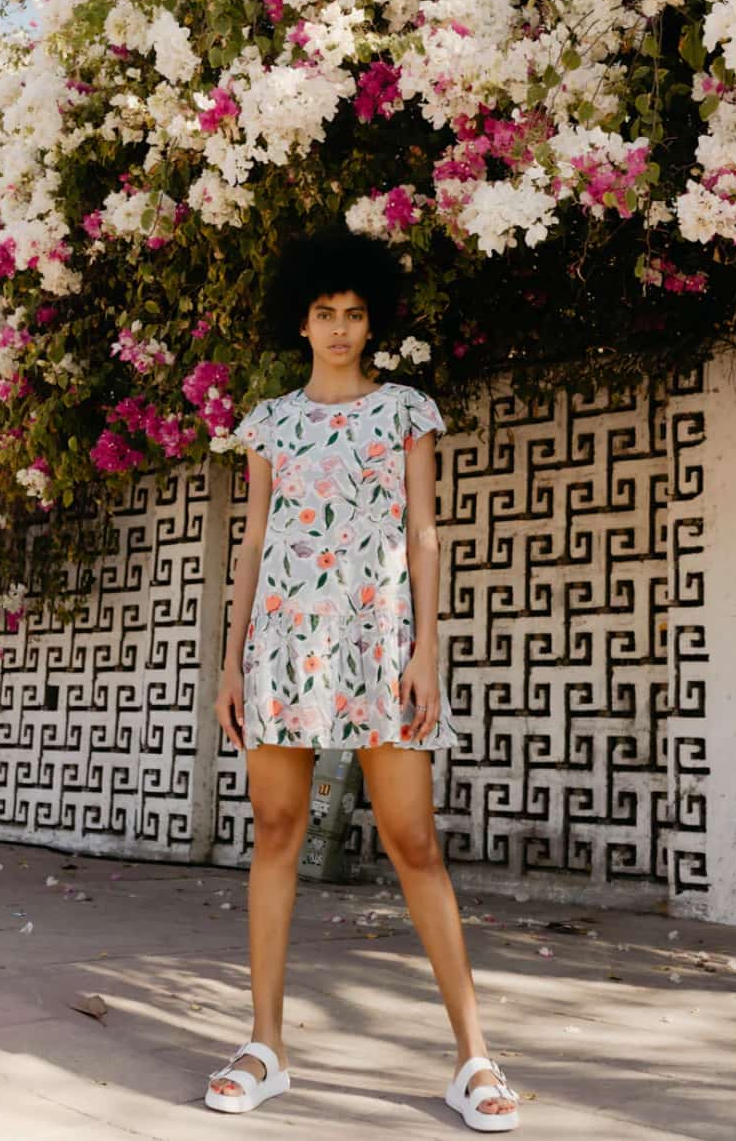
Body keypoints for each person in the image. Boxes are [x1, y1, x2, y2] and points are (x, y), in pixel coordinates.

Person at [206, 228, 519, 1131]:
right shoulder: (268, 423)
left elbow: (423, 534)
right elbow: (253, 543)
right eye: (324, 313)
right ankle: (265, 1047)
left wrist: (427, 650)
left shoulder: (406, 412)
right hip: (282, 645)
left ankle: (474, 1058)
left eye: (352, 313)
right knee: (276, 831)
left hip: (380, 645)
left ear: (370, 322)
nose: (339, 328)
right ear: (301, 324)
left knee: (414, 840)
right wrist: (231, 663)